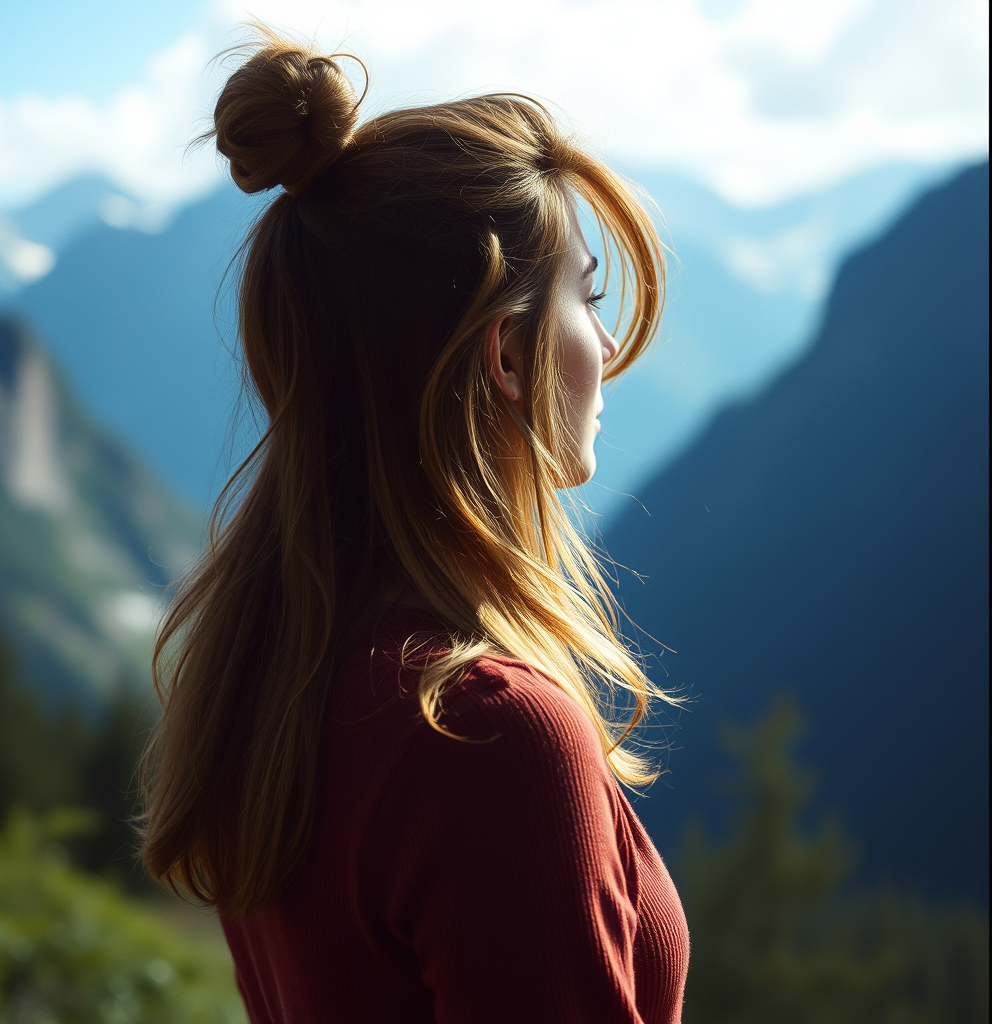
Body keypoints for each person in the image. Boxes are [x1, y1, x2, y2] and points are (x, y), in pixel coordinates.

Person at [141, 26, 689, 1024]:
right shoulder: (487, 731)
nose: (606, 346)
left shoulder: (272, 679)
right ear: (507, 356)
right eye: (584, 295)